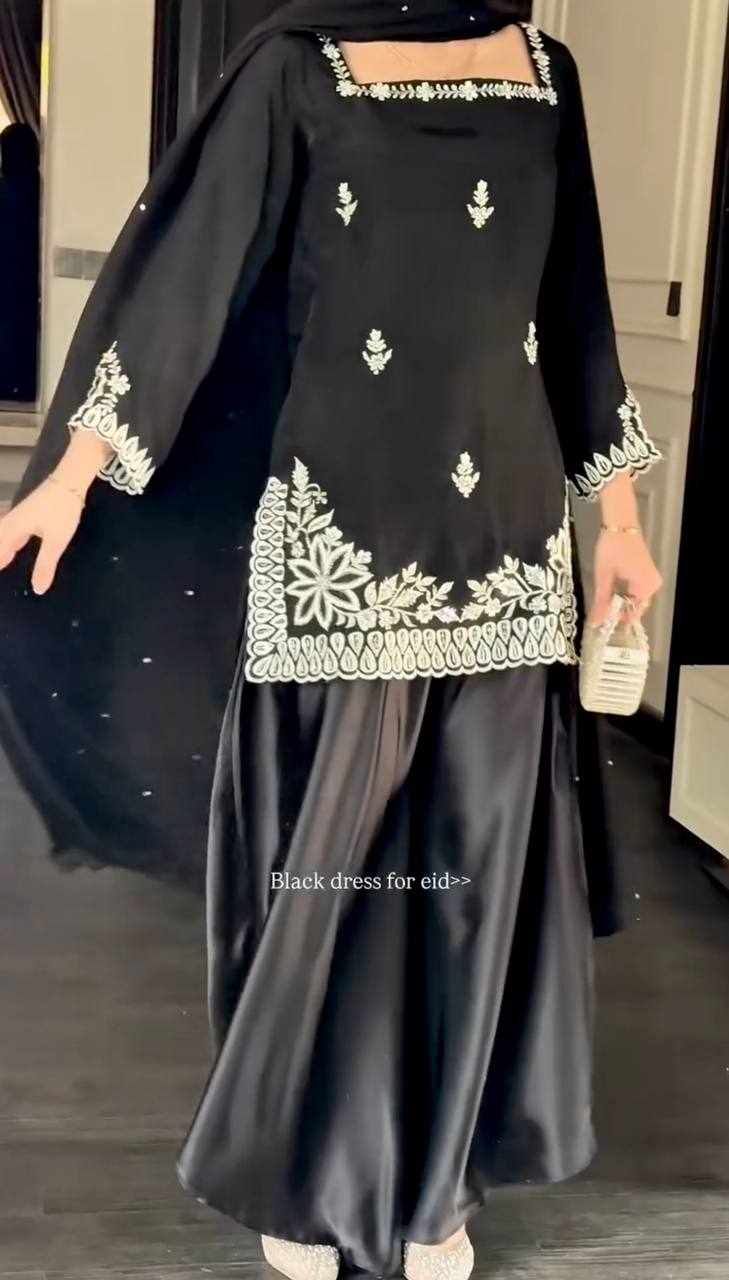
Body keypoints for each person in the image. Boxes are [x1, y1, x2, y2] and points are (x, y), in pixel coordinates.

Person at [0, 3, 664, 1278]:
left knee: (470, 887)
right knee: (330, 882)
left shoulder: (546, 72)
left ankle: (436, 1186)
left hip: (511, 545)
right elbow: (186, 280)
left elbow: (574, 308)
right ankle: (309, 1182)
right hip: (337, 538)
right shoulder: (297, 68)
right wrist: (74, 475)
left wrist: (620, 523)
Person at [0, 122, 40, 401]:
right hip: (28, 270)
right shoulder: (42, 188)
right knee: (22, 327)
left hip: (8, 269)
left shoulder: (5, 189)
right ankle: (22, 383)